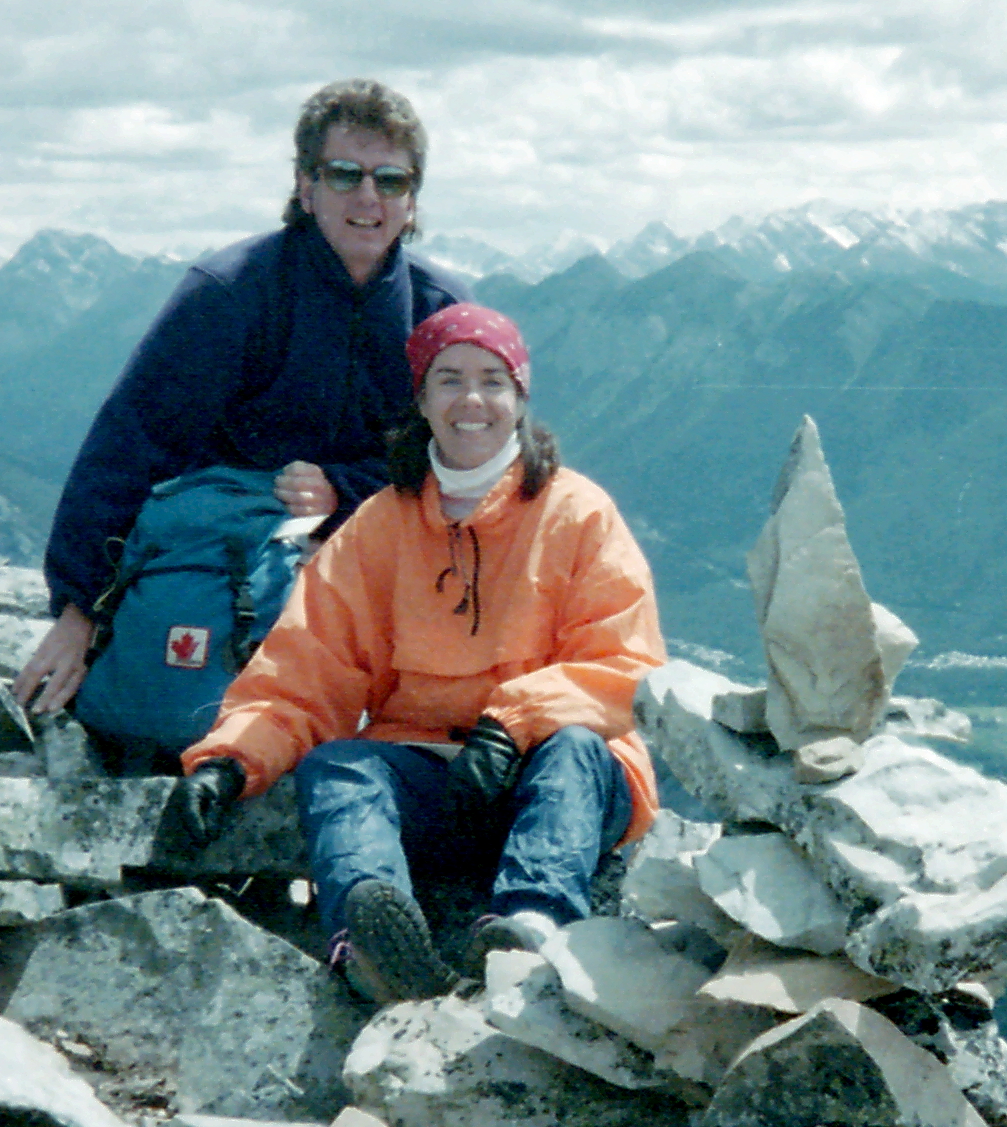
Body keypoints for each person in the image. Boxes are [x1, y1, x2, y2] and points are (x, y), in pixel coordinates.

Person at [160, 305, 666, 1001]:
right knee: (339, 765)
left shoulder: (578, 513)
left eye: (492, 380)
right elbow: (308, 670)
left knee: (576, 748)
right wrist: (230, 762)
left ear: (520, 399)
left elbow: (626, 666)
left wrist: (512, 725)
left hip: (551, 779)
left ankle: (530, 927)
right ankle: (373, 938)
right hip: (432, 781)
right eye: (449, 380)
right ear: (422, 401)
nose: (471, 400)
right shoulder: (379, 525)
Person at [11, 79, 465, 718]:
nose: (369, 197)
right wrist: (78, 612)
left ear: (412, 200)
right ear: (306, 187)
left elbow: (465, 463)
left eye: (391, 180)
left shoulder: (440, 313)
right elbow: (132, 444)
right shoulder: (231, 293)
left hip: (373, 556)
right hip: (229, 565)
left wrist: (342, 491)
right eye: (345, 174)